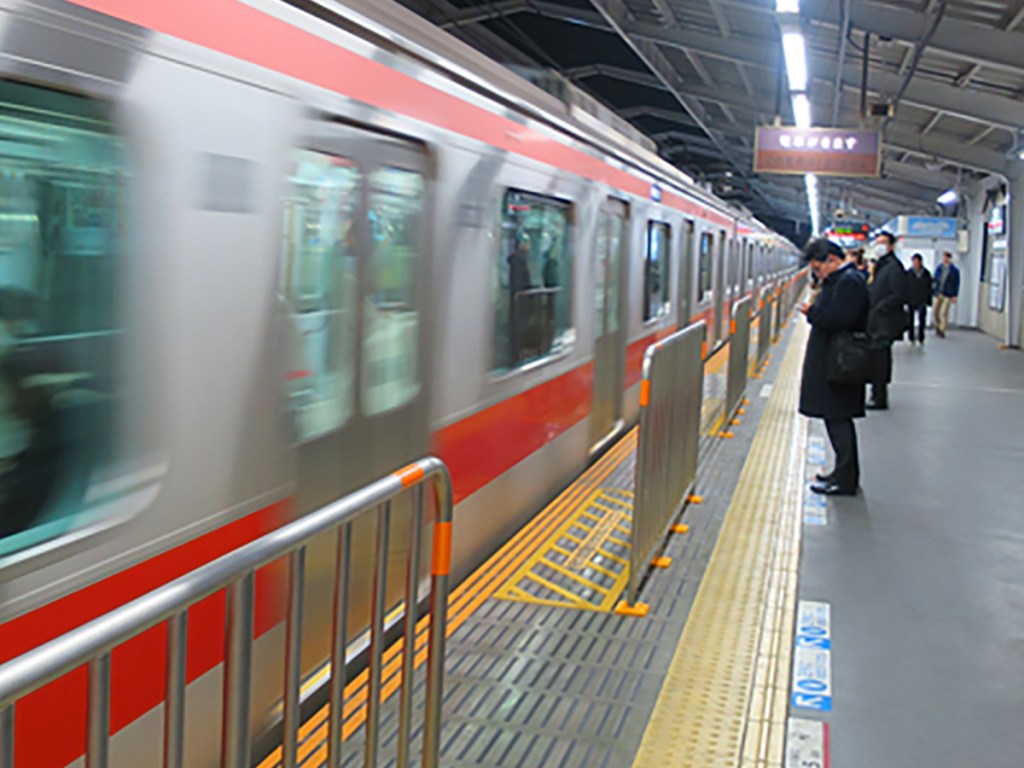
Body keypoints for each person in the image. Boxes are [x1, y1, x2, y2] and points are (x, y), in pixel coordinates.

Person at [798, 239, 870, 496]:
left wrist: (812, 313)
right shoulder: (844, 280)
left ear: (832, 259)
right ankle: (841, 473)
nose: (818, 274)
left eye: (819, 268)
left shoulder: (849, 282)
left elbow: (842, 318)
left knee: (839, 419)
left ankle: (846, 479)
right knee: (835, 418)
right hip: (834, 360)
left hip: (839, 363)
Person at [865, 231, 908, 410]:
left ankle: (880, 397)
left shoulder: (894, 267)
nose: (879, 246)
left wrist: (880, 308)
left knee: (881, 360)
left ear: (891, 246)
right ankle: (876, 394)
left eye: (882, 243)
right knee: (877, 359)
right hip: (878, 321)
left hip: (885, 322)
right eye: (877, 243)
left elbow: (899, 294)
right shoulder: (882, 266)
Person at [905, 253, 932, 345]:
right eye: (914, 262)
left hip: (922, 299)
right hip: (911, 299)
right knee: (910, 320)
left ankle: (921, 338)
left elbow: (929, 287)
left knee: (922, 319)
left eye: (917, 262)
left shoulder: (926, 274)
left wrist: (928, 299)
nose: (916, 263)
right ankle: (911, 337)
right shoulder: (908, 273)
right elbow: (905, 286)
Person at [932, 251, 960, 338]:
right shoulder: (939, 268)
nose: (945, 259)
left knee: (944, 312)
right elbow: (935, 279)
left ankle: (942, 330)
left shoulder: (954, 271)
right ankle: (938, 325)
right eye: (944, 257)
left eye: (946, 258)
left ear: (949, 258)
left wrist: (955, 295)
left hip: (948, 294)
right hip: (938, 292)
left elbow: (956, 283)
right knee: (935, 312)